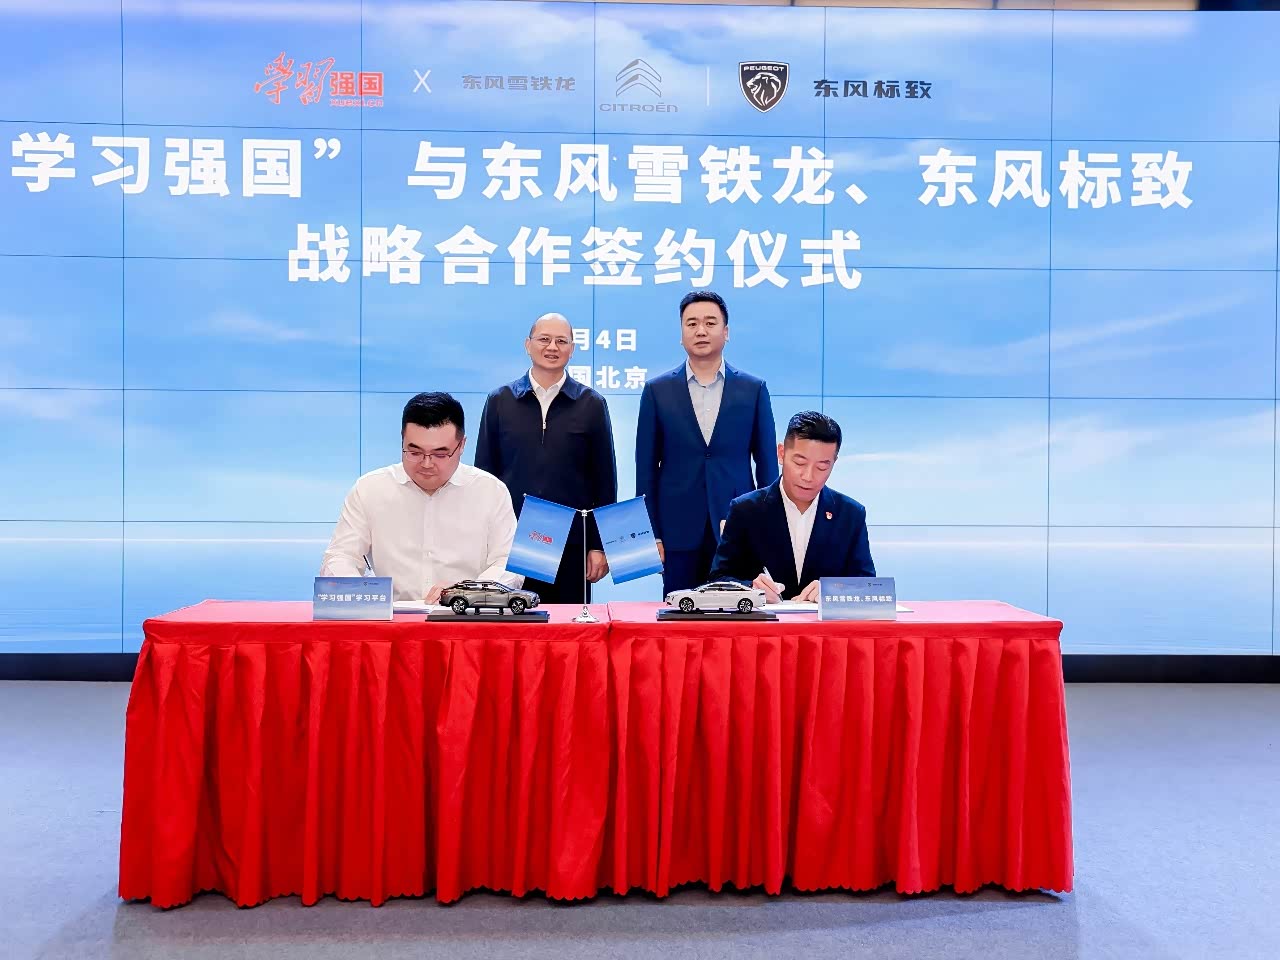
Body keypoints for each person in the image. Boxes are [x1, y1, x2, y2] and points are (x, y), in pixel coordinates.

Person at [636, 289, 778, 595]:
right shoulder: (657, 391)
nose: (701, 330)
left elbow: (767, 466)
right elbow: (645, 471)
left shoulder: (753, 389)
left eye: (710, 323)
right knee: (680, 613)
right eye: (692, 323)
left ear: (726, 332)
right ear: (681, 334)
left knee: (737, 613)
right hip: (677, 532)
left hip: (736, 528)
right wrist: (652, 534)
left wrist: (767, 530)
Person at [321, 392, 521, 602]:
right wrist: (360, 594)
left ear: (462, 445)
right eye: (414, 452)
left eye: (440, 454)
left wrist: (468, 591)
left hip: (466, 616)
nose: (426, 464)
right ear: (402, 440)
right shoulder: (370, 489)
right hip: (393, 618)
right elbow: (340, 556)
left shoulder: (491, 491)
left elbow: (509, 565)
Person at [474, 312, 618, 603]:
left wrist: (598, 545)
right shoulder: (500, 401)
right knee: (512, 623)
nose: (552, 347)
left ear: (572, 349)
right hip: (510, 544)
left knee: (567, 626)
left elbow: (604, 481)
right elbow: (484, 476)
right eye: (544, 339)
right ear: (528, 344)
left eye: (561, 341)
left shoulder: (591, 404)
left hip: (572, 544)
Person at [709, 410, 874, 602]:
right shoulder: (745, 510)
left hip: (822, 622)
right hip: (765, 621)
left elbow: (868, 585)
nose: (808, 477)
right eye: (799, 462)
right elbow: (718, 580)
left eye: (822, 467)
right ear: (781, 454)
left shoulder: (850, 514)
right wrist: (751, 590)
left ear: (833, 463)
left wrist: (835, 590)